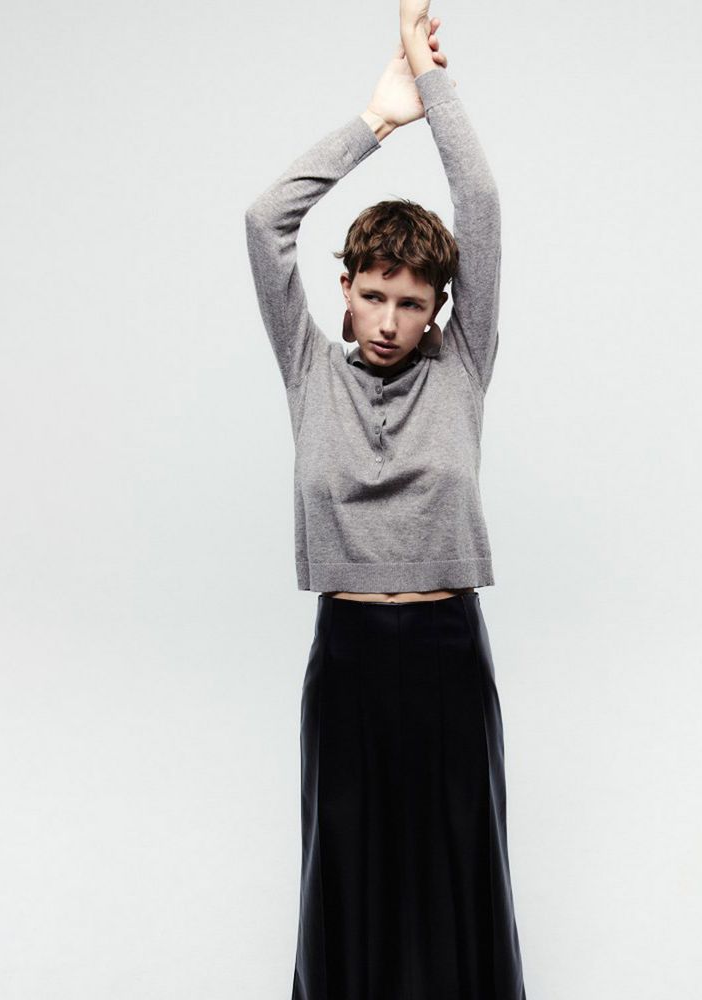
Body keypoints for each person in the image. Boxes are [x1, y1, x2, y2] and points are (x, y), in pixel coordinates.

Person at [244, 3, 527, 997]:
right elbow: (264, 221)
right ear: (347, 287)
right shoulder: (307, 368)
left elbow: (479, 200)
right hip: (351, 657)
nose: (390, 320)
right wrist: (377, 119)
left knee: (457, 882)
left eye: (412, 302)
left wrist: (434, 88)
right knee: (349, 886)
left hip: (448, 653)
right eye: (373, 293)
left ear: (440, 308)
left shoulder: (461, 368)